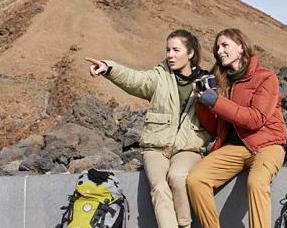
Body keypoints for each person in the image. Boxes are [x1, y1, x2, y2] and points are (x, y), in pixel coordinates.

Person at [86, 30, 210, 228]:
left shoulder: (206, 80)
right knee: (159, 188)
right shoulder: (158, 76)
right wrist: (109, 68)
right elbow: (135, 79)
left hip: (188, 147)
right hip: (155, 147)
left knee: (178, 178)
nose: (170, 55)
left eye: (176, 50)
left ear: (191, 53)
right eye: (168, 50)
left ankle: (184, 225)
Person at [186, 28, 287, 228]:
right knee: (195, 180)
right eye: (217, 47)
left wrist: (216, 102)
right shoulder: (221, 80)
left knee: (256, 183)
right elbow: (215, 128)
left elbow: (256, 119)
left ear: (241, 47)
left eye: (225, 45)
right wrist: (201, 102)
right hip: (233, 148)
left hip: (267, 144)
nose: (220, 51)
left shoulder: (266, 78)